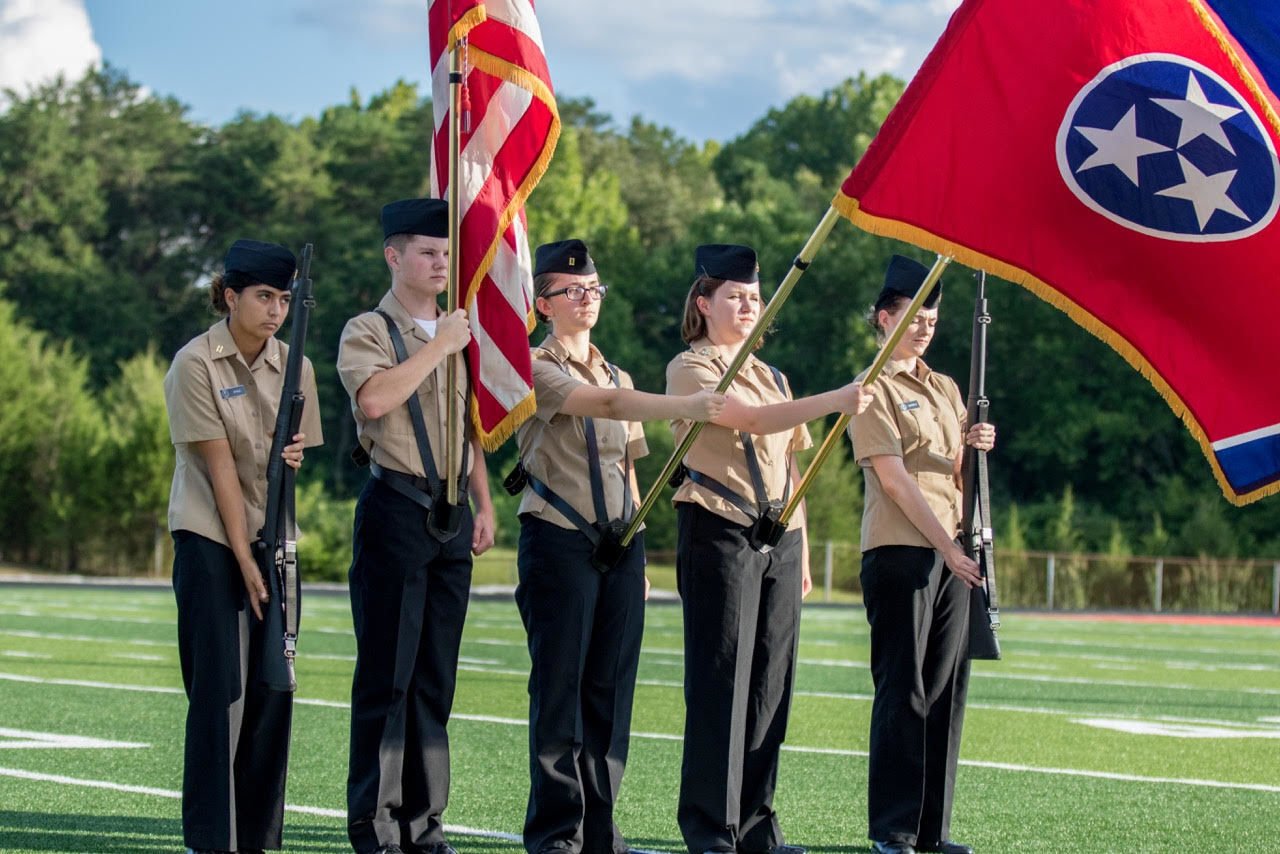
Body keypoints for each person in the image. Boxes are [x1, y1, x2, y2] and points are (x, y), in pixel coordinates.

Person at [510, 239, 726, 854]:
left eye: (594, 289)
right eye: (573, 291)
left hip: (618, 545)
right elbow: (601, 406)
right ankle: (557, 829)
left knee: (611, 689)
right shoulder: (536, 365)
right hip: (558, 538)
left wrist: (640, 554)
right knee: (561, 688)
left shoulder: (618, 373)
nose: (588, 299)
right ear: (544, 305)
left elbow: (630, 465)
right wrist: (686, 405)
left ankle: (602, 825)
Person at [666, 244, 873, 854]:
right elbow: (753, 421)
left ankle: (757, 824)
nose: (747, 306)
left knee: (770, 686)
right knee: (720, 680)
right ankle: (710, 825)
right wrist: (837, 398)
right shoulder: (692, 367)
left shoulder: (773, 375)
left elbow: (791, 470)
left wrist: (801, 551)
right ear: (704, 304)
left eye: (755, 298)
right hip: (718, 530)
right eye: (734, 296)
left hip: (777, 537)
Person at [337, 198, 497, 854]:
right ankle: (375, 828)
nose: (440, 264)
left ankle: (424, 826)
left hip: (451, 512)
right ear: (393, 256)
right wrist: (440, 346)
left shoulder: (456, 331)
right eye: (427, 253)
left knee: (435, 679)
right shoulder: (368, 329)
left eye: (444, 253)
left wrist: (485, 504)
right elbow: (374, 399)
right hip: (396, 509)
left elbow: (470, 428)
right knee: (388, 676)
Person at [164, 238, 323, 854]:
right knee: (221, 696)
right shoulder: (195, 363)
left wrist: (294, 458)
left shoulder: (297, 363)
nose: (275, 310)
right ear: (230, 297)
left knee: (272, 692)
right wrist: (244, 556)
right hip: (212, 542)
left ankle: (260, 840)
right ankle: (215, 841)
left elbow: (290, 458)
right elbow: (220, 467)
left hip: (276, 543)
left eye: (284, 298)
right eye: (263, 297)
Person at [848, 255, 996, 854]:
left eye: (932, 316)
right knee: (903, 691)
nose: (925, 325)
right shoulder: (872, 388)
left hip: (952, 553)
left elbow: (959, 477)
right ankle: (894, 829)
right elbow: (893, 481)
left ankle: (933, 830)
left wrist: (977, 446)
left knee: (945, 691)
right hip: (902, 551)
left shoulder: (946, 388)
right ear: (885, 318)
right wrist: (947, 547)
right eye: (913, 315)